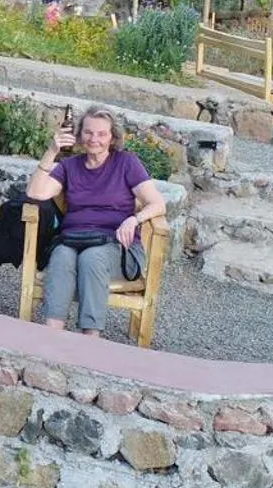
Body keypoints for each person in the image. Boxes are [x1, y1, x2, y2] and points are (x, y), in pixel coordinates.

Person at [26, 106, 167, 336]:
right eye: (89, 133)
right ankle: (51, 335)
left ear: (113, 137)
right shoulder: (69, 166)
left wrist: (134, 219)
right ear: (80, 134)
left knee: (92, 258)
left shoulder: (126, 163)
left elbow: (157, 204)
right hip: (74, 240)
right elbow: (36, 192)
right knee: (61, 255)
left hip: (117, 245)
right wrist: (51, 152)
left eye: (102, 134)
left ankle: (90, 338)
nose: (95, 139)